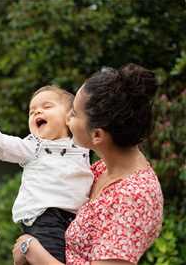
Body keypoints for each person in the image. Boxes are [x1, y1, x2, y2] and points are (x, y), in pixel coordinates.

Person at [12, 64, 164, 265]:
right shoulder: (100, 170)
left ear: (97, 135)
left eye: (73, 113)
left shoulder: (135, 196)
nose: (66, 117)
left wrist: (30, 248)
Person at [0, 85, 93, 263]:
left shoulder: (82, 144)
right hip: (45, 218)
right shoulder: (34, 146)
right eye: (32, 112)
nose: (37, 112)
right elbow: (1, 145)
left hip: (78, 220)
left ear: (70, 116)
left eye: (47, 107)